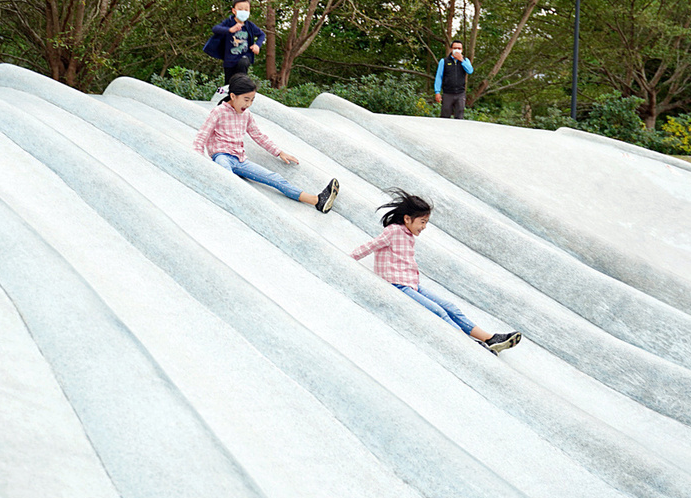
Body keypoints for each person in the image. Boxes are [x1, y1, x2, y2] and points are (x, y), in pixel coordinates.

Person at [349, 189, 521, 354]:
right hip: (397, 285)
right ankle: (472, 346)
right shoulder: (393, 231)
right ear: (407, 219)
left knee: (449, 307)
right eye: (422, 222)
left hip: (412, 284)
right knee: (438, 312)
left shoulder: (407, 235)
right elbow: (370, 246)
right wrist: (347, 259)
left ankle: (490, 338)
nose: (424, 227)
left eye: (426, 222)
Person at [194, 73, 339, 213]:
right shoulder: (219, 112)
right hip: (221, 157)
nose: (249, 104)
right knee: (226, 174)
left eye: (252, 100)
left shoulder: (246, 115)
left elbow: (258, 136)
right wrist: (198, 161)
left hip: (240, 160)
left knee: (274, 178)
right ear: (233, 96)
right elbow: (202, 136)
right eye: (246, 99)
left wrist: (279, 152)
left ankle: (317, 200)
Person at [202, 0, 267, 85]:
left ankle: (242, 86)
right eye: (240, 9)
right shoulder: (229, 22)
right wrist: (229, 30)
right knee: (229, 84)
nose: (243, 11)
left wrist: (257, 45)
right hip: (229, 59)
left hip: (244, 56)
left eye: (246, 9)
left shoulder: (250, 25)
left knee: (242, 66)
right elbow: (215, 29)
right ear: (234, 11)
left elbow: (261, 34)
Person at [433, 40, 473, 119]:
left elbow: (470, 71)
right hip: (447, 93)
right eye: (455, 48)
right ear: (451, 49)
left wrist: (461, 60)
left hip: (460, 93)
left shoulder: (465, 60)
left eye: (459, 48)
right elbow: (439, 77)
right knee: (445, 117)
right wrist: (437, 92)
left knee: (459, 117)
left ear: (462, 50)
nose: (457, 50)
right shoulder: (444, 61)